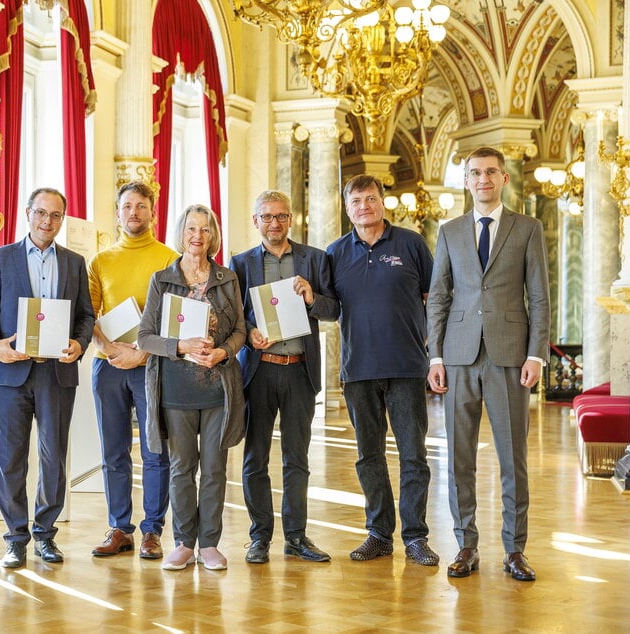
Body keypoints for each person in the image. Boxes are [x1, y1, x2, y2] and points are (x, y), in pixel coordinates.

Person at [426, 146, 550, 581]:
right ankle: (466, 545)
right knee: (459, 457)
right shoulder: (449, 231)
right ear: (466, 180)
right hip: (458, 357)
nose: (483, 179)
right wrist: (435, 355)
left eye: (491, 172)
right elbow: (439, 295)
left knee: (512, 455)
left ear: (504, 178)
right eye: (475, 173)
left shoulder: (528, 228)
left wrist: (536, 353)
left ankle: (515, 550)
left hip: (510, 356)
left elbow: (538, 296)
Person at [0, 187, 95, 569]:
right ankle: (15, 538)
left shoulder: (75, 262)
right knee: (10, 458)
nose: (47, 221)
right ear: (27, 213)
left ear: (63, 219)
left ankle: (46, 534)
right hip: (12, 373)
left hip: (56, 375)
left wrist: (79, 344)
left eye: (55, 215)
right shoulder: (0, 259)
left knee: (53, 458)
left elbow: (85, 316)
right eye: (41, 213)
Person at [326, 175, 438, 566]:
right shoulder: (335, 252)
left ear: (382, 202)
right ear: (347, 208)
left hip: (407, 367)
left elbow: (435, 298)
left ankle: (415, 537)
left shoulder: (411, 244)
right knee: (368, 456)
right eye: (356, 201)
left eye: (370, 199)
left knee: (413, 455)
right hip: (359, 370)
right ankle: (378, 533)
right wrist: (306, 295)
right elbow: (328, 309)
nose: (364, 206)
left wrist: (434, 350)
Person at [229, 190, 337, 564]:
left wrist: (311, 299)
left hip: (298, 373)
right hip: (258, 370)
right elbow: (234, 316)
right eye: (267, 216)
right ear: (256, 221)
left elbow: (333, 309)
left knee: (297, 459)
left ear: (291, 219)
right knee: (255, 458)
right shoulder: (240, 263)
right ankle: (259, 537)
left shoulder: (314, 259)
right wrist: (249, 332)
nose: (274, 223)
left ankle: (296, 537)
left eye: (281, 216)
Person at [137, 204, 246, 571]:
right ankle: (184, 543)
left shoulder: (227, 279)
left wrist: (222, 352)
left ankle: (210, 544)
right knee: (182, 468)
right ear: (181, 234)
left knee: (215, 468)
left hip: (218, 390)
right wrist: (180, 346)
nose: (197, 236)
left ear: (212, 236)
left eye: (204, 229)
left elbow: (240, 332)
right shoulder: (161, 279)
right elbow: (145, 337)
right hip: (176, 390)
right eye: (190, 229)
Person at [87, 181, 178, 560]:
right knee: (114, 449)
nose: (134, 213)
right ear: (118, 212)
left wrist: (140, 355)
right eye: (127, 206)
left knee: (155, 449)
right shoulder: (100, 261)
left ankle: (152, 531)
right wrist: (110, 350)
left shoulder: (169, 259)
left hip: (151, 367)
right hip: (107, 367)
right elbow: (87, 315)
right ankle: (119, 527)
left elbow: (174, 320)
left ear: (153, 212)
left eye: (142, 206)